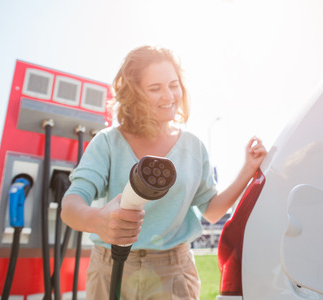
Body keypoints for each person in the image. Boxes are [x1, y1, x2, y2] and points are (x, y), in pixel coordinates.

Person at [61, 45, 267, 300]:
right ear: (134, 94)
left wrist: (248, 169)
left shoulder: (193, 146)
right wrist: (98, 221)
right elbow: (70, 206)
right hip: (110, 268)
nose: (169, 95)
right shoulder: (107, 142)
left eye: (173, 84)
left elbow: (212, 211)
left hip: (173, 273)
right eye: (155, 88)